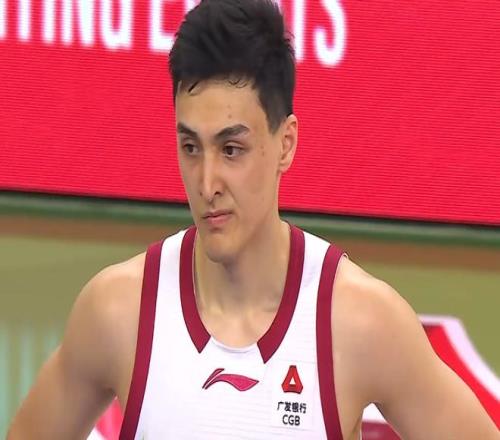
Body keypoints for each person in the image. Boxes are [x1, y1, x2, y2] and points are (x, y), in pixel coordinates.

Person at [7, 0, 498, 439]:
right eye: (190, 147)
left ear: (286, 143)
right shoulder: (119, 313)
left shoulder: (359, 322)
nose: (207, 183)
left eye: (231, 149)